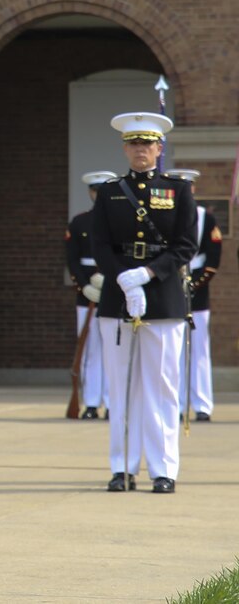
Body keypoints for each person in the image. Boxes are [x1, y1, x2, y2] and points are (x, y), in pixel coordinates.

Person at [91, 112, 197, 494]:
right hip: (117, 295)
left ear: (159, 148)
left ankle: (164, 468)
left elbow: (186, 245)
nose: (141, 150)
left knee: (162, 385)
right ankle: (122, 467)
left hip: (163, 295)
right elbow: (99, 243)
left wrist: (148, 275)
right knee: (121, 386)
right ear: (125, 148)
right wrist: (122, 276)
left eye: (147, 144)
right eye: (134, 144)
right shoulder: (109, 191)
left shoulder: (178, 189)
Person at [166, 168, 221, 422]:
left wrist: (195, 284)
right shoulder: (165, 216)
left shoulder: (205, 218)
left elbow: (212, 258)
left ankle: (202, 405)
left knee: (199, 350)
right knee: (172, 351)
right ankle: (175, 404)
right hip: (170, 287)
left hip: (197, 291)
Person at [66, 171, 117, 419]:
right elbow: (72, 260)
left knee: (113, 350)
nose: (97, 194)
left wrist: (111, 279)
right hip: (86, 295)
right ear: (90, 192)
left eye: (101, 190)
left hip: (112, 292)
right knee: (90, 351)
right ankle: (91, 403)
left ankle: (111, 402)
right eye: (94, 190)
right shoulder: (79, 222)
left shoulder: (120, 220)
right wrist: (84, 286)